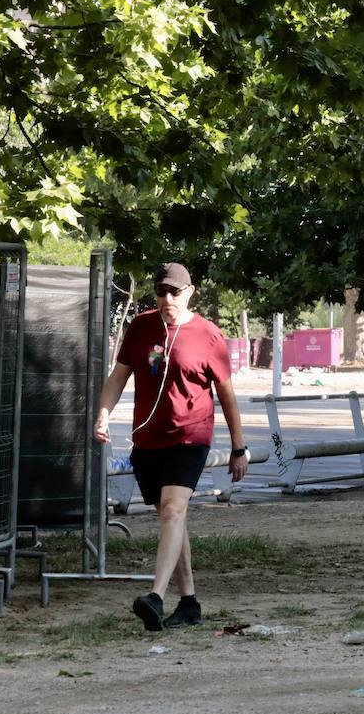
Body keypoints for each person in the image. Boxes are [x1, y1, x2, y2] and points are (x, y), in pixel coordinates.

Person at [93, 263, 248, 631]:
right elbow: (119, 376)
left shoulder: (208, 335)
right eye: (161, 292)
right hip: (149, 440)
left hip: (190, 437)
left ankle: (156, 597)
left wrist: (239, 448)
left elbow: (227, 396)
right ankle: (189, 603)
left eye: (174, 292)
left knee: (173, 511)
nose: (167, 299)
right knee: (171, 518)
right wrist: (103, 414)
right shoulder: (142, 327)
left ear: (189, 292)